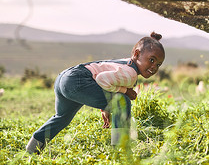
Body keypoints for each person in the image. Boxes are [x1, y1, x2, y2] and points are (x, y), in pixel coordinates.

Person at [26, 32, 165, 154]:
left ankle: (31, 149)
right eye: (151, 60)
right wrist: (126, 90)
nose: (154, 67)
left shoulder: (125, 63)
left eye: (158, 64)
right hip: (77, 81)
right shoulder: (130, 73)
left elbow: (104, 80)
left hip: (64, 78)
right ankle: (121, 151)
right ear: (137, 54)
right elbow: (101, 79)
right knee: (123, 102)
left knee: (62, 117)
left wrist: (105, 106)